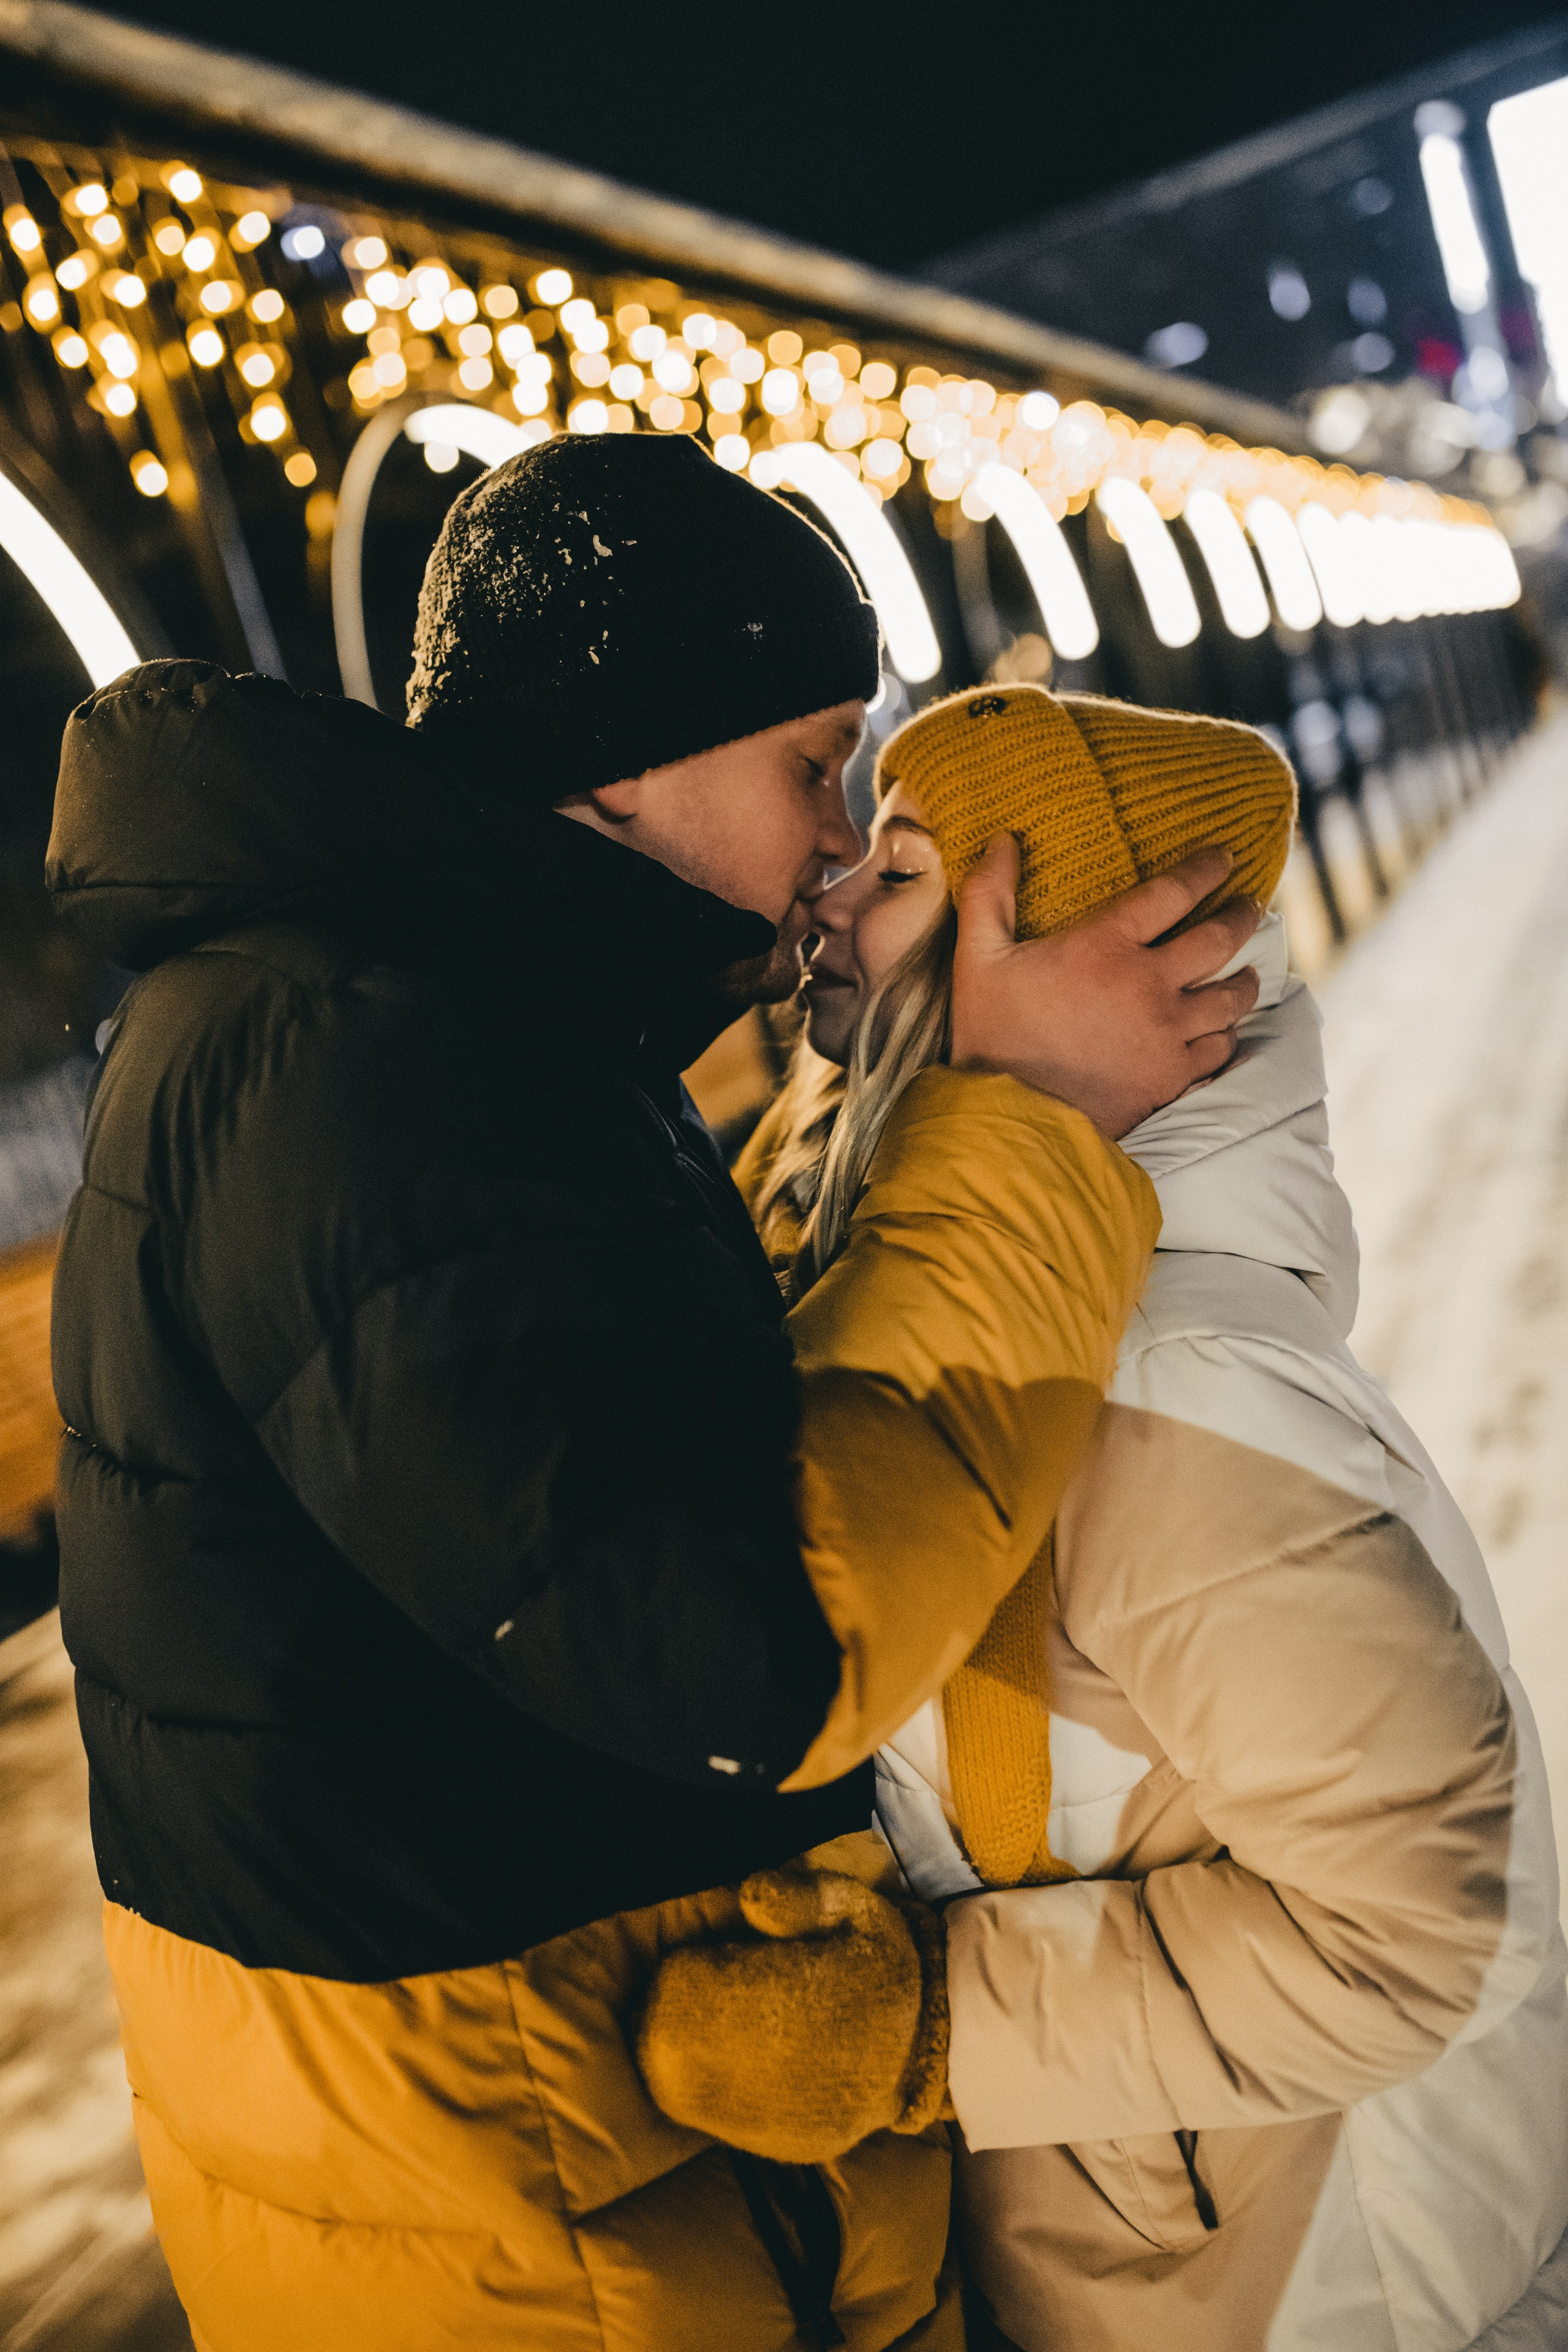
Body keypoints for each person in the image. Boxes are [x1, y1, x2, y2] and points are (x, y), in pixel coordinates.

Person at [43, 437, 1263, 2352]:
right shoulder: (374, 1071)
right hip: (545, 2220)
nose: (849, 835)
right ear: (618, 759)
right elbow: (749, 1662)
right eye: (812, 761)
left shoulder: (414, 1017)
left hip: (556, 2157)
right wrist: (1024, 1125)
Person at [639, 683, 1568, 2352]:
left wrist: (929, 2030)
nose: (835, 886)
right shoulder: (981, 1287)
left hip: (1322, 2283)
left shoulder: (1167, 1379)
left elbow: (1421, 1923)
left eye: (906, 867)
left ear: (1060, 941)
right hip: (1177, 2252)